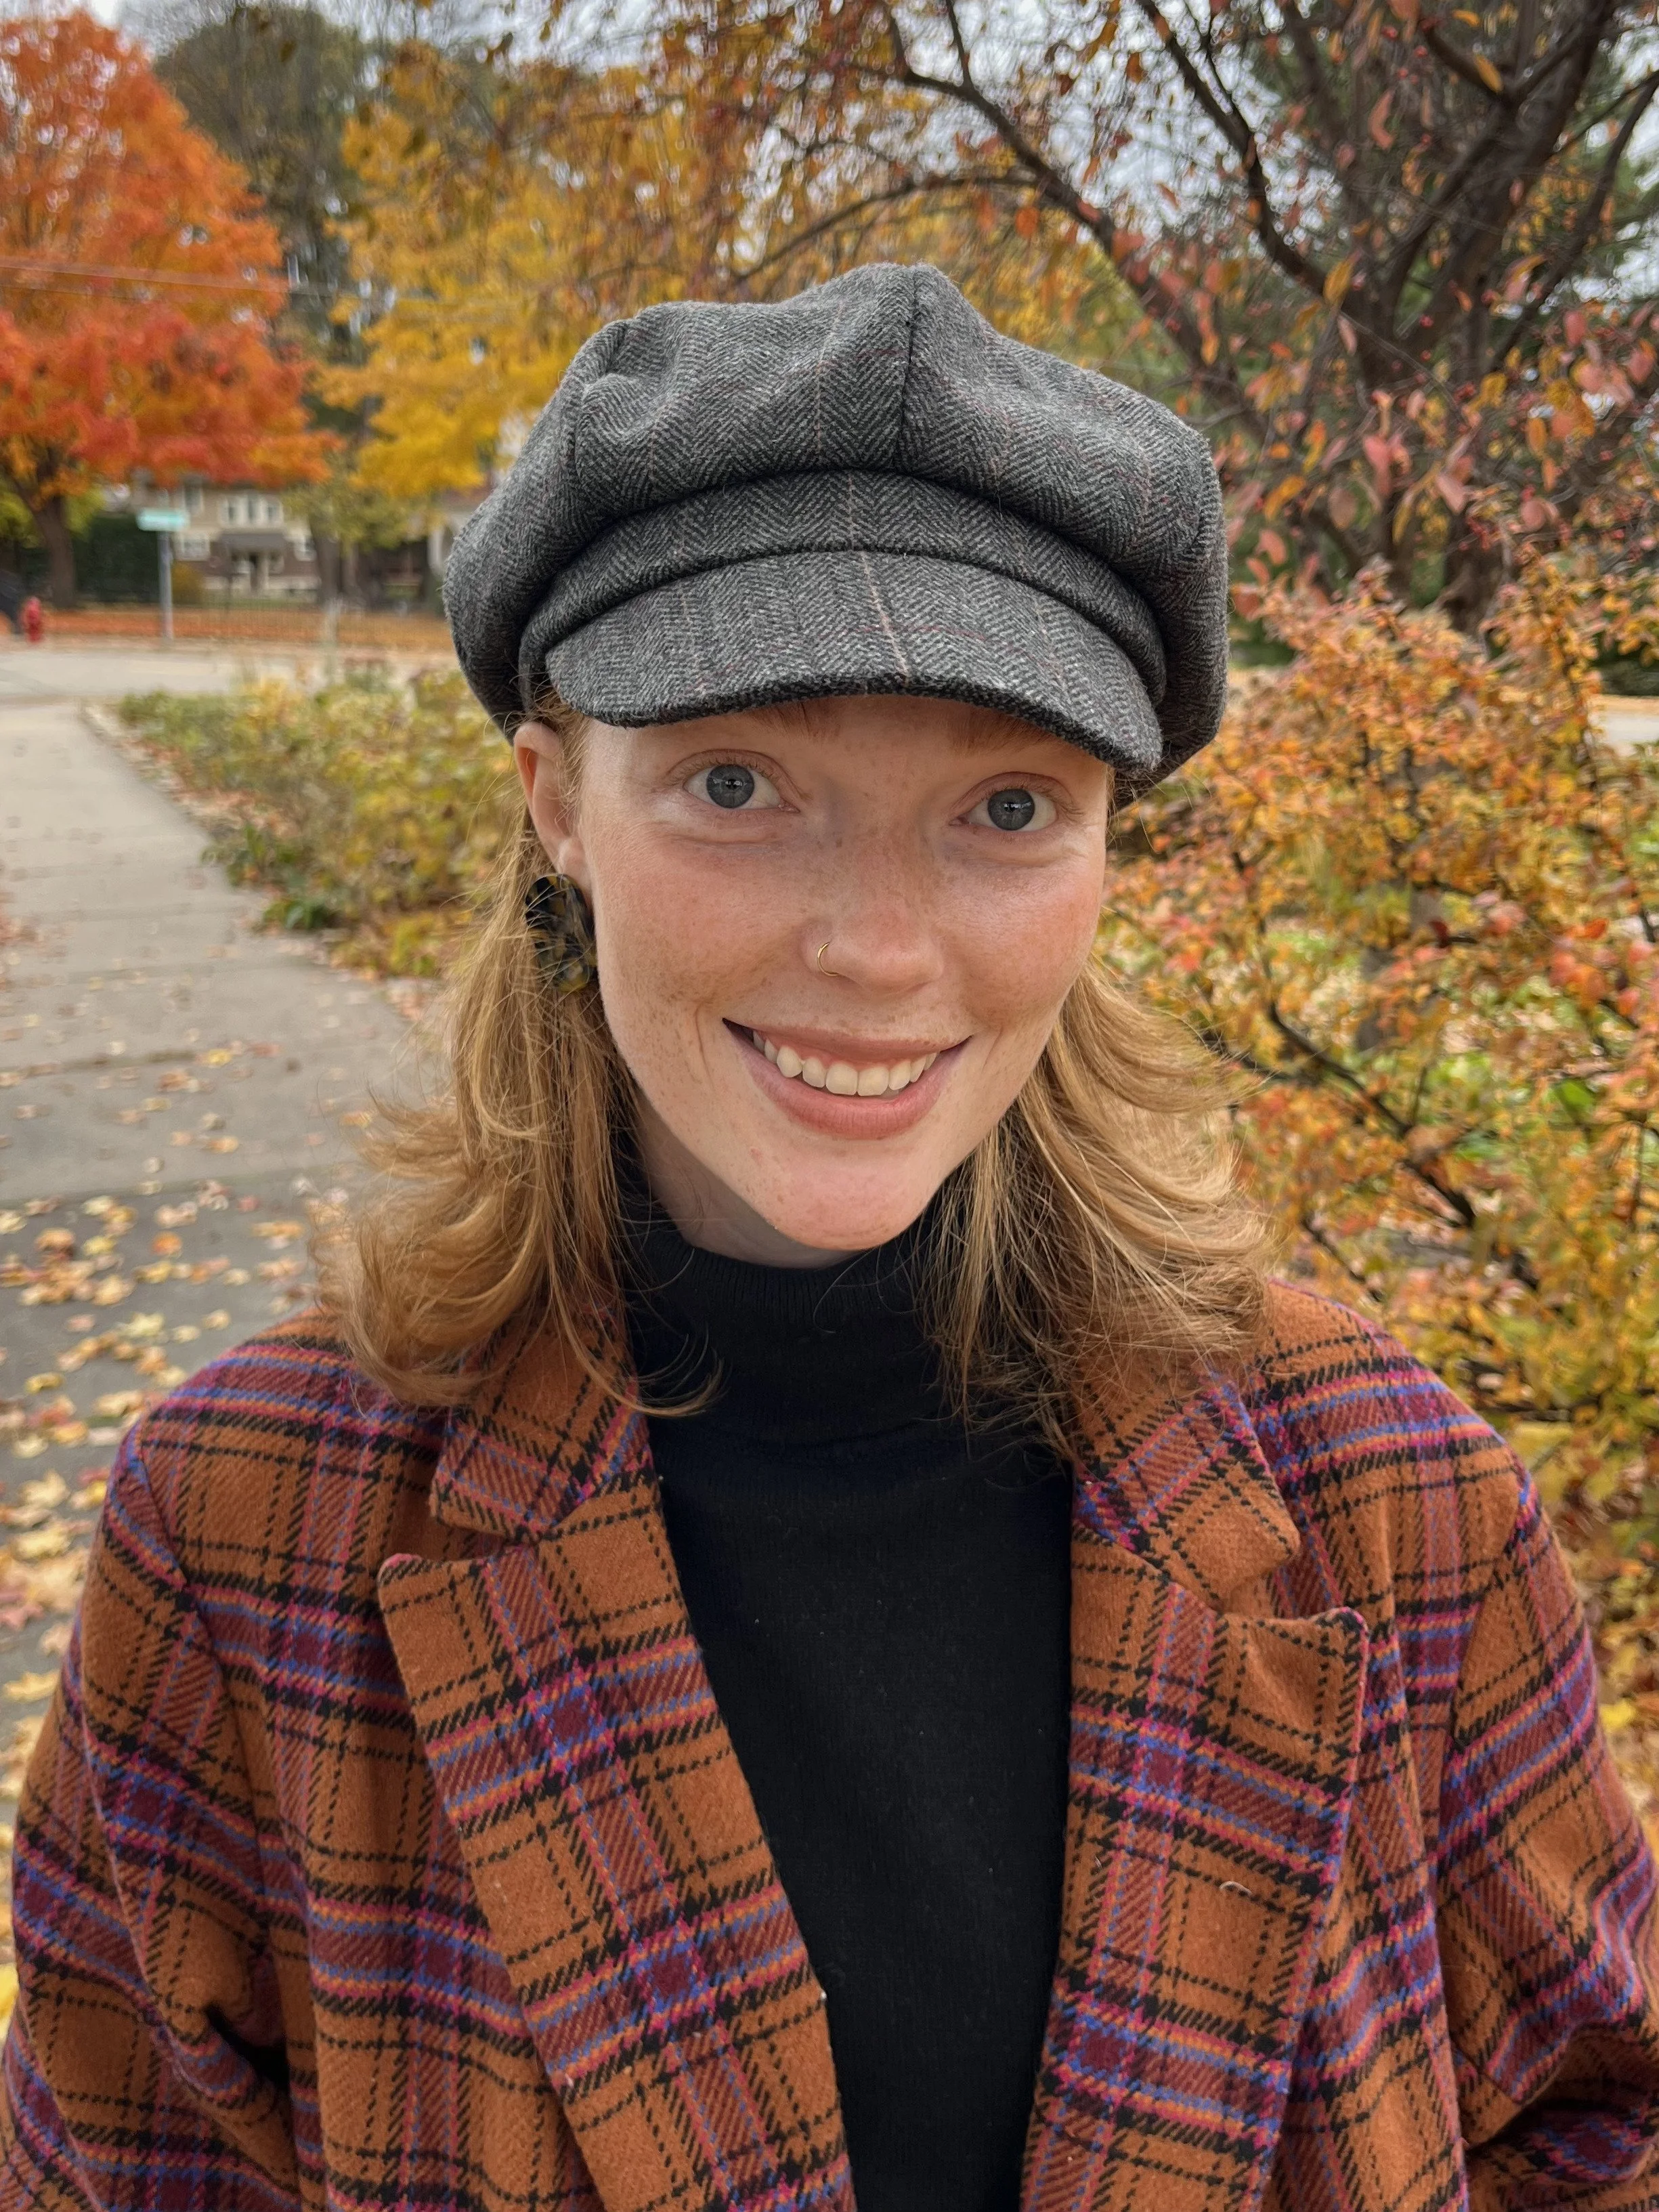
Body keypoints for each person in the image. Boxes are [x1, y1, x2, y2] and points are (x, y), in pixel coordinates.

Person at [2, 263, 1656, 2212]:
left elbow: (1594, 2123)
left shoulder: (1394, 1511)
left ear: (1110, 842)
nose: (878, 951)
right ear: (553, 801)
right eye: (736, 785)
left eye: (1007, 805)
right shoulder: (251, 1537)